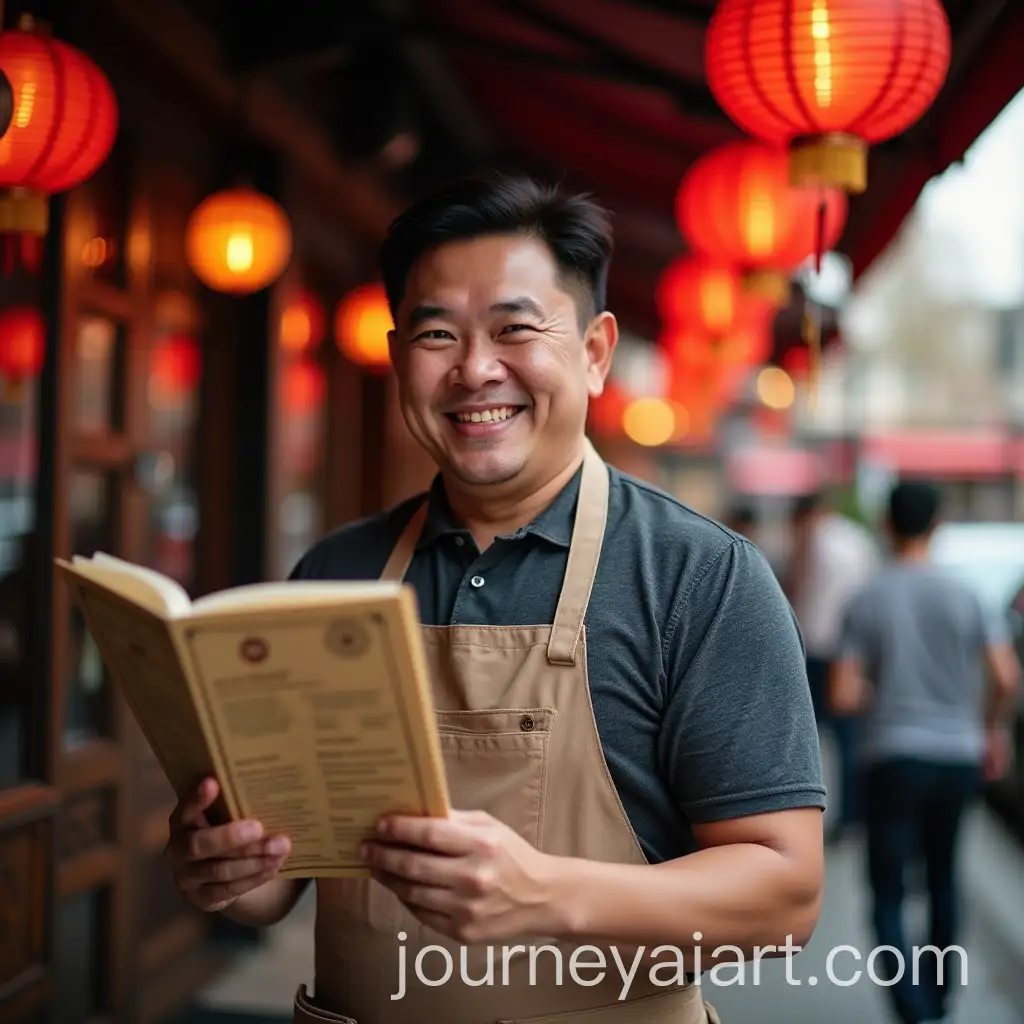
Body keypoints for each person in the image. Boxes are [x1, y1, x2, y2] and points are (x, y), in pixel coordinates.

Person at [164, 174, 826, 1024]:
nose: (475, 370)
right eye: (437, 334)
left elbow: (785, 895)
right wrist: (224, 869)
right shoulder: (337, 571)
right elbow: (279, 883)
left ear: (595, 351)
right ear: (400, 356)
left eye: (515, 329)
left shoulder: (700, 577)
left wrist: (543, 891)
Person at [830, 481, 1021, 1024]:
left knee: (888, 887)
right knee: (943, 877)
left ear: (887, 526)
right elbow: (1006, 676)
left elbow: (843, 694)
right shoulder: (967, 594)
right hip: (957, 755)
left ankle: (910, 1006)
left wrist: (886, 692)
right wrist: (990, 730)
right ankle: (938, 998)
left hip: (891, 757)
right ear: (937, 525)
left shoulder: (868, 597)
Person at [784, 490, 879, 840]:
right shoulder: (858, 540)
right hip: (851, 652)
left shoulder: (813, 541)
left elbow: (796, 592)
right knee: (848, 739)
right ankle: (851, 815)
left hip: (815, 650)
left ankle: (803, 816)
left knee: (801, 738)